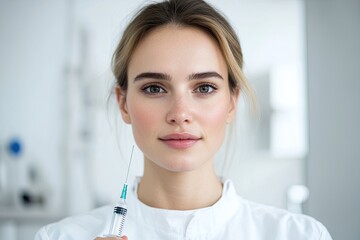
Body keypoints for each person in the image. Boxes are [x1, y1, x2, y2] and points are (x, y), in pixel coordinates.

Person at [35, 0, 332, 239]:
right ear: (123, 103)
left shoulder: (300, 235)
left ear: (231, 102)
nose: (180, 114)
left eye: (204, 88)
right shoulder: (59, 237)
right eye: (154, 88)